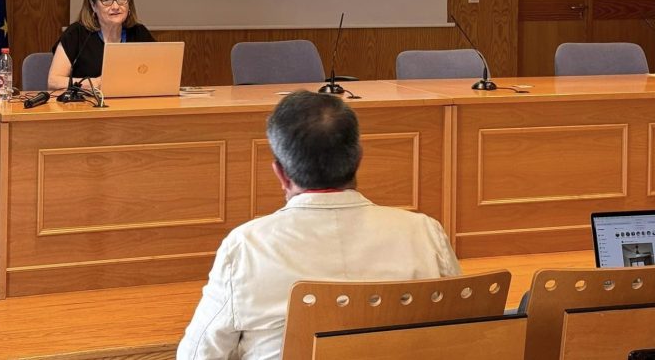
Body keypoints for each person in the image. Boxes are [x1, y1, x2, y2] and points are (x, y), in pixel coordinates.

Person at [177, 91, 461, 360]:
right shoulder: (424, 232)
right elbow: (465, 332)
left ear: (281, 174)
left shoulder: (246, 245)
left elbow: (197, 354)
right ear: (358, 159)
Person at [47, 0, 154, 90]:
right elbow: (53, 81)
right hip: (88, 100)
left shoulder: (139, 33)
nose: (115, 7)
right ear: (93, 5)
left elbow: (159, 73)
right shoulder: (76, 33)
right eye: (106, 0)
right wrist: (96, 83)